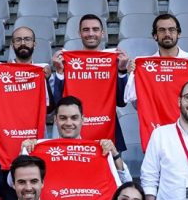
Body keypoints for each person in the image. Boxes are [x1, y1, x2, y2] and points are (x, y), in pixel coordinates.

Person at [49, 14, 130, 148]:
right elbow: (58, 103)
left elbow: (121, 102)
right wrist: (59, 73)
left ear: (102, 33)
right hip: (74, 134)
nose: (91, 33)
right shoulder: (66, 61)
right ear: (79, 33)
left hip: (109, 137)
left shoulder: (114, 61)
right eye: (86, 30)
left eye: (95, 29)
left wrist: (121, 71)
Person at [21, 96, 132, 182]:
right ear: (55, 120)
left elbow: (126, 181)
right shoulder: (38, 149)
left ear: (82, 120)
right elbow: (13, 183)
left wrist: (115, 154)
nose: (69, 123)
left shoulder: (99, 150)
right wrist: (23, 154)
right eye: (63, 118)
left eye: (74, 118)